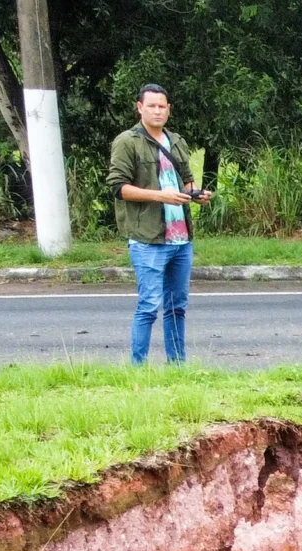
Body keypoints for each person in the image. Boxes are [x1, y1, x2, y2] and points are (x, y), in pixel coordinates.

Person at [105, 84, 213, 363]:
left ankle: (177, 365)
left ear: (168, 109)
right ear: (139, 107)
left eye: (161, 106)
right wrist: (159, 196)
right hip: (148, 238)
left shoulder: (176, 141)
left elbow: (187, 180)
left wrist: (196, 194)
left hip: (181, 238)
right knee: (149, 306)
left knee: (178, 307)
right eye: (151, 105)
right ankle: (137, 367)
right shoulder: (127, 142)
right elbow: (119, 188)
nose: (157, 110)